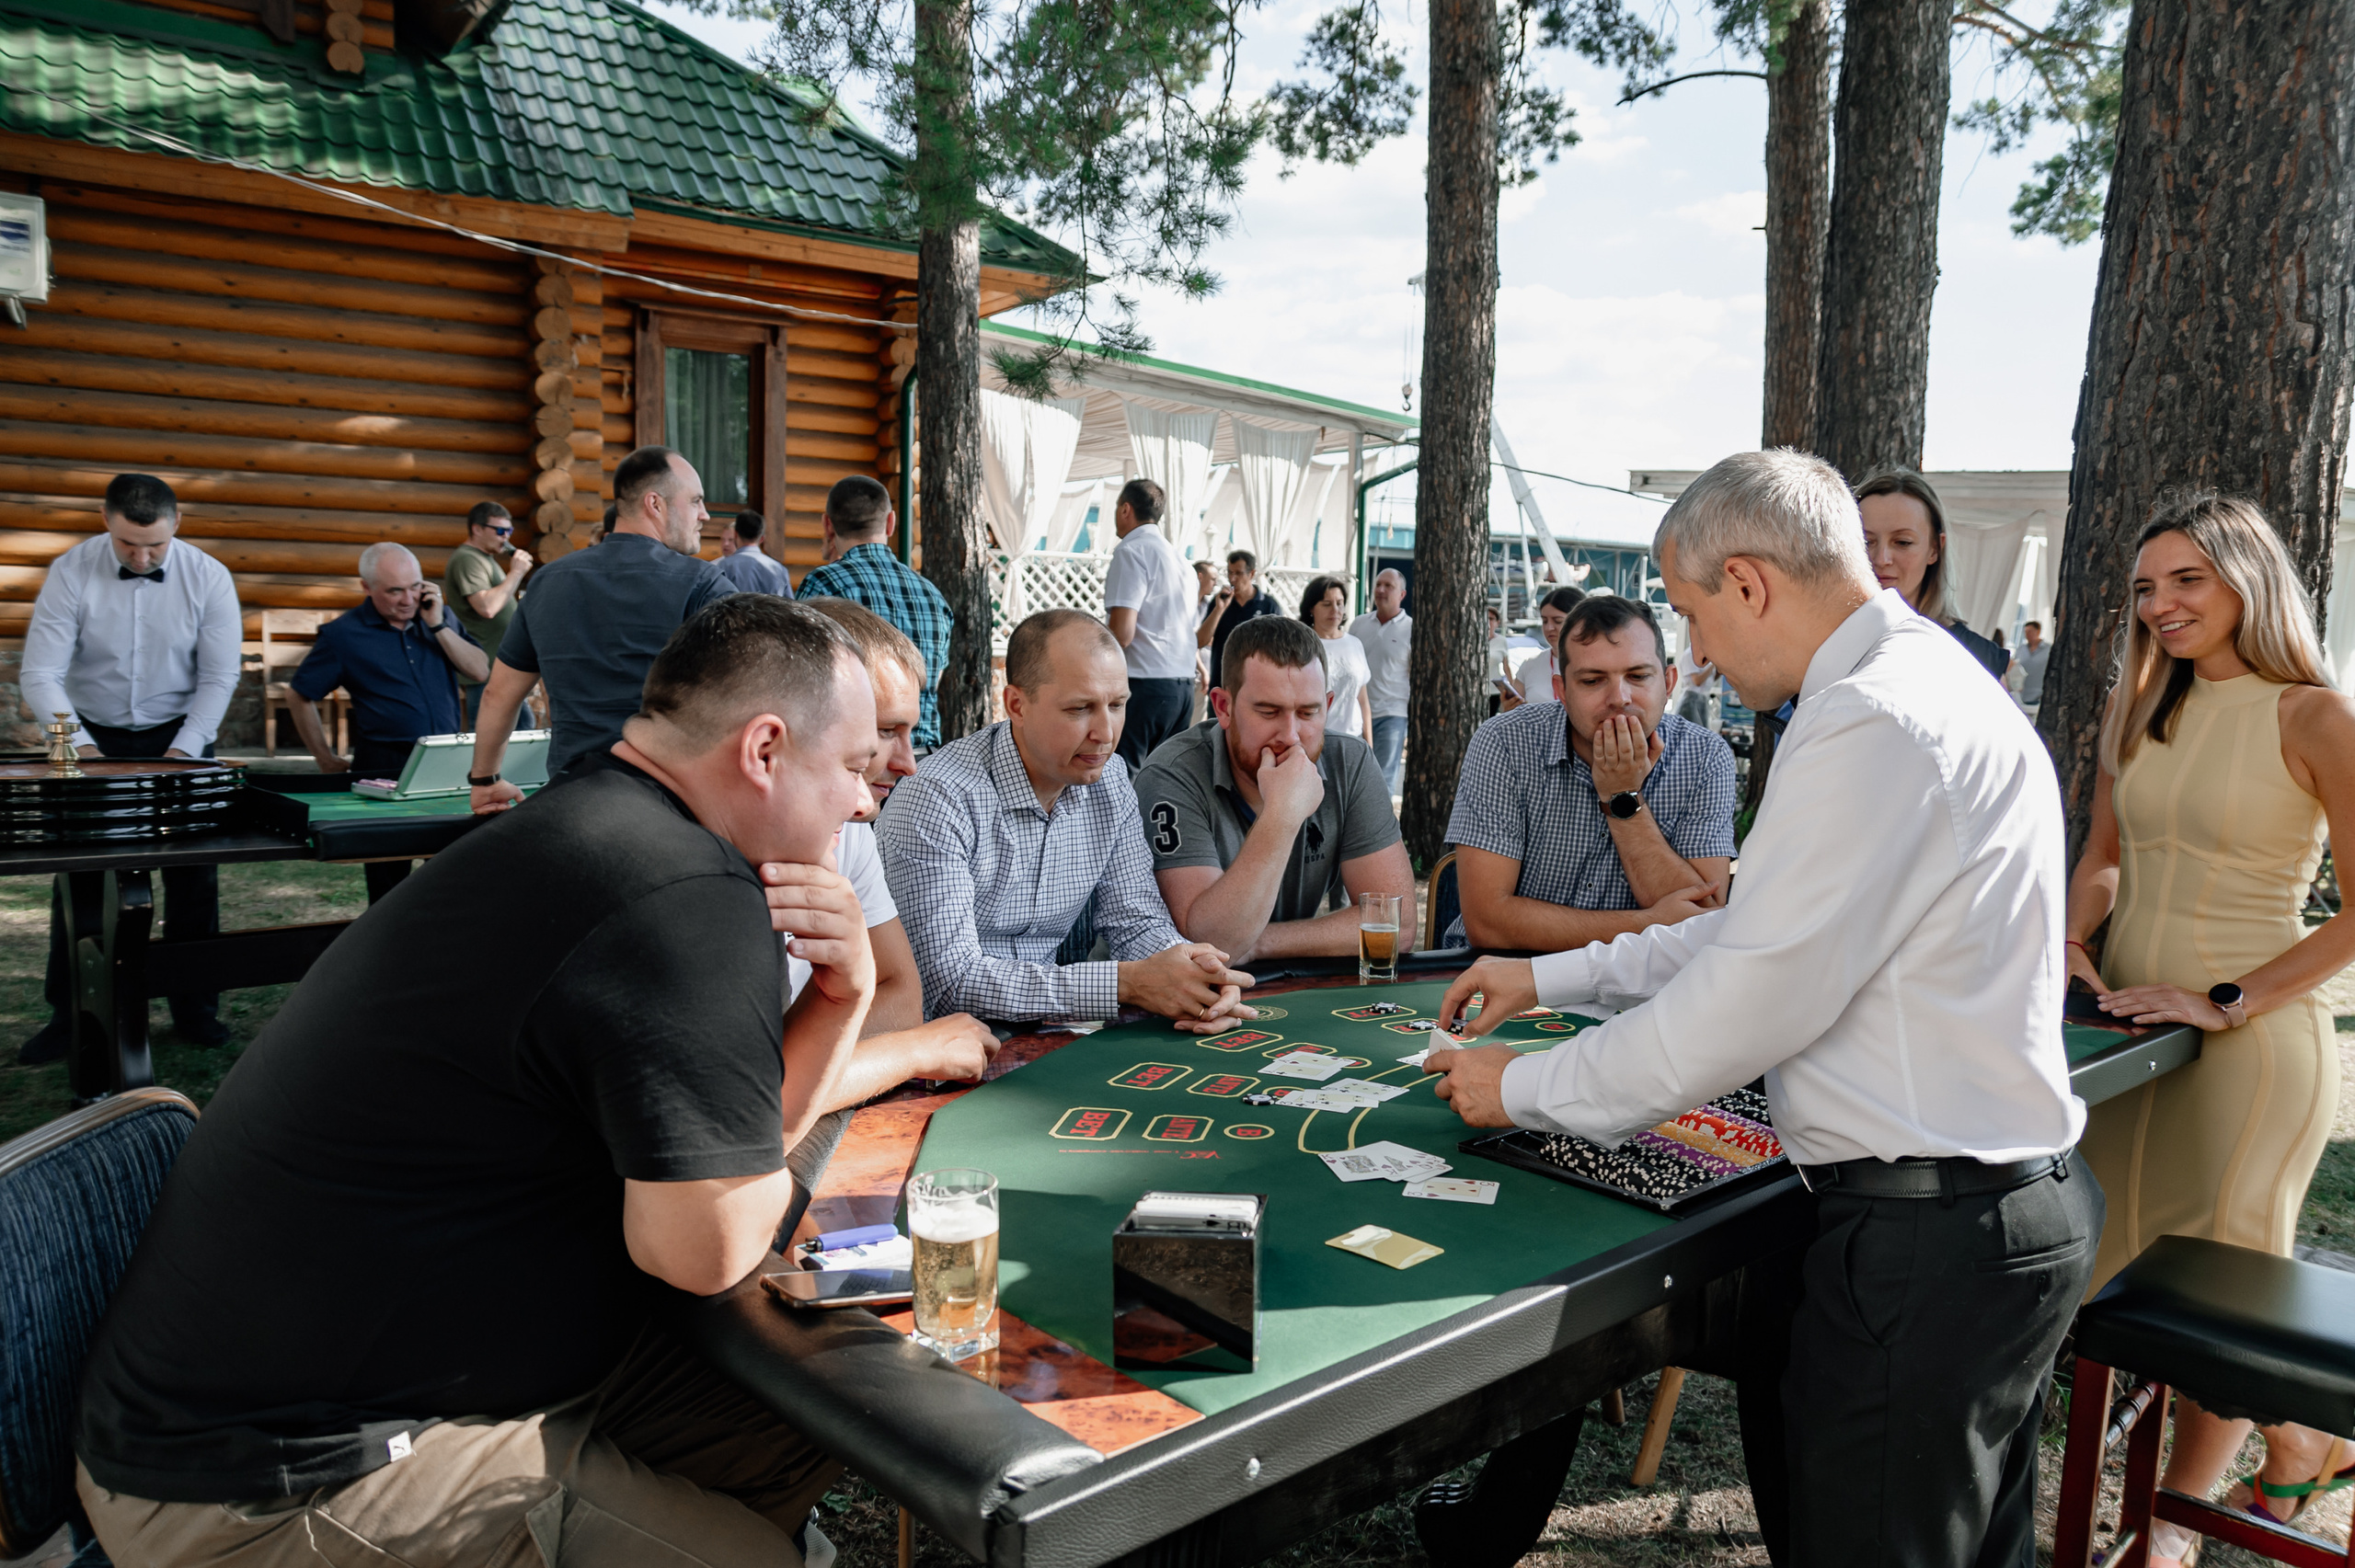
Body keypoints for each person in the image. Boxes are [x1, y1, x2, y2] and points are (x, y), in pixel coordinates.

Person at [75, 596, 885, 1568]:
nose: (865, 801)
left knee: (826, 1405)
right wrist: (845, 998)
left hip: (306, 1406)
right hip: (266, 1481)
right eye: (853, 766)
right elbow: (703, 1251)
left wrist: (837, 1002)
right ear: (763, 748)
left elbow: (715, 1181)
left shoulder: (595, 818)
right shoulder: (685, 900)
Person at [1425, 450, 2097, 1568]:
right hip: (1980, 1216)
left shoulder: (1872, 720)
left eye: (1693, 614)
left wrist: (1523, 1086)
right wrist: (1546, 978)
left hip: (1930, 1231)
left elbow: (1744, 1003)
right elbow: (1748, 931)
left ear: (1746, 582)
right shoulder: (1905, 682)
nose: (1695, 651)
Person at [2063, 494, 2355, 1563]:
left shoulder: (2313, 714)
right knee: (2112, 1280)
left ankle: (2164, 1534)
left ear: (2246, 578)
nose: (2161, 604)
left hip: (2252, 1047)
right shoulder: (2139, 708)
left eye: (2185, 579)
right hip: (2127, 1036)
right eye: (2146, 587)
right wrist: (2071, 941)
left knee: (2215, 1292)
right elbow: (2103, 853)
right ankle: (2300, 1434)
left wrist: (2223, 1001)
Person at [878, 609, 1255, 1031]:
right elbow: (949, 981)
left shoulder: (1109, 780)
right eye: (1080, 709)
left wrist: (1195, 972)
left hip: (1040, 1034)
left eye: (1117, 705)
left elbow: (1136, 922)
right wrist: (1123, 984)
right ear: (1016, 705)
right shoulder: (938, 797)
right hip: (923, 1051)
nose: (1106, 732)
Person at [18, 473, 240, 1060]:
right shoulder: (70, 571)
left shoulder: (210, 576)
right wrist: (81, 750)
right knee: (82, 878)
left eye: (156, 547)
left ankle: (196, 1010)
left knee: (193, 877)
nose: (142, 558)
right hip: (93, 733)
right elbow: (40, 673)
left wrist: (184, 751)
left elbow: (219, 677)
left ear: (177, 525)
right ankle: (70, 1018)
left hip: (181, 735)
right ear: (104, 519)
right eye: (127, 545)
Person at [791, 597, 997, 1192]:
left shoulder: (849, 826)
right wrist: (910, 1052)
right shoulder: (733, 853)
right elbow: (762, 1096)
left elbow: (902, 995)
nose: (908, 763)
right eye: (885, 732)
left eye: (911, 729)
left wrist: (876, 1051)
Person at [1443, 594, 1736, 950]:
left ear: (1669, 682)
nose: (1619, 697)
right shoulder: (1505, 742)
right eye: (1593, 681)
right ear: (1560, 691)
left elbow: (1701, 922)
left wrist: (1622, 798)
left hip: (1645, 986)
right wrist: (1647, 925)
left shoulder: (1705, 757)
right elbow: (1488, 923)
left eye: (1639, 675)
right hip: (1507, 972)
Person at [1134, 616, 1413, 963]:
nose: (1291, 735)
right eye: (1268, 712)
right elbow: (1211, 940)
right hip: (1158, 997)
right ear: (1224, 707)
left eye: (1308, 712)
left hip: (1279, 987)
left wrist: (1259, 943)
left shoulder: (1350, 761)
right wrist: (1282, 814)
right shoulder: (1172, 774)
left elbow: (1393, 926)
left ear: (1327, 706)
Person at [468, 446, 733, 807]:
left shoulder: (547, 582)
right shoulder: (703, 584)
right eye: (696, 501)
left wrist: (485, 779)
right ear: (655, 504)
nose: (704, 515)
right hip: (669, 804)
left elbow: (498, 694)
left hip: (571, 799)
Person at [289, 542, 489, 899]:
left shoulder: (437, 617)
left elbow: (479, 669)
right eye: (395, 590)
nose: (408, 599)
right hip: (383, 766)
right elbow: (300, 694)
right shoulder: (343, 635)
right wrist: (325, 758)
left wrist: (439, 625)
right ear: (366, 587)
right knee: (387, 883)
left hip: (444, 764)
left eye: (415, 586)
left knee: (449, 876)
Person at [797, 475, 953, 750]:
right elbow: (934, 680)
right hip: (924, 759)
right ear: (890, 522)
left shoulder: (823, 584)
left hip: (862, 758)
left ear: (827, 524)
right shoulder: (933, 594)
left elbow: (806, 675)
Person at [1856, 466, 2009, 680]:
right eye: (1866, 541)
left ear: (1935, 549)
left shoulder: (1976, 656)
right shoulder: (1819, 644)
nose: (1882, 559)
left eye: (1903, 542)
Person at [1100, 478, 1197, 770]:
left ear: (1125, 509)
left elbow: (1122, 634)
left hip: (1146, 685)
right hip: (1183, 686)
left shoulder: (1131, 551)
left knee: (1122, 776)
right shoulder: (1182, 561)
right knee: (1165, 779)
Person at [443, 500, 533, 727]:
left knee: (522, 729)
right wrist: (517, 573)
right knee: (489, 736)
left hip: (502, 669)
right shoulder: (467, 558)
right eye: (500, 530)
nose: (506, 537)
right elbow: (487, 607)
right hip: (486, 670)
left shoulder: (485, 559)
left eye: (509, 531)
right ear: (477, 528)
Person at [1350, 567, 1412, 794]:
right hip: (1355, 714)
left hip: (1392, 716)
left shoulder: (1412, 629)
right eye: (1378, 584)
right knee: (1354, 779)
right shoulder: (1358, 625)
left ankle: (1379, 829)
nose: (1381, 590)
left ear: (1402, 595)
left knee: (1383, 781)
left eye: (1389, 586)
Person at [1197, 548, 1281, 692]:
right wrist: (1219, 609)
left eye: (1238, 573)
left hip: (1257, 685)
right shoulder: (1219, 603)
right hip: (1222, 682)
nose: (1232, 578)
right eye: (1230, 572)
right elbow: (1200, 641)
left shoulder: (1268, 605)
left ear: (1252, 574)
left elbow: (1278, 648)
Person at [1300, 574, 1372, 737]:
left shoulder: (1355, 644)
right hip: (1315, 738)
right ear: (1311, 608)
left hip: (1353, 737)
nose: (1335, 610)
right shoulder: (1301, 644)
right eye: (1326, 604)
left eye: (1340, 603)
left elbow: (1362, 699)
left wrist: (1369, 744)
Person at [1509, 585, 1586, 704]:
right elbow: (1510, 712)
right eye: (1544, 621)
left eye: (1558, 621)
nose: (1549, 628)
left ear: (1581, 622)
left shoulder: (1599, 664)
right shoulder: (1530, 665)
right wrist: (1508, 709)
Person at [716, 509, 796, 596]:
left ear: (735, 535)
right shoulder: (779, 569)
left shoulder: (725, 566)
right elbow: (789, 605)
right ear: (762, 539)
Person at [2015, 619, 2051, 715]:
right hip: (2022, 694)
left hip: (2040, 694)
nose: (2027, 634)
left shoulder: (2049, 649)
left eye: (2030, 631)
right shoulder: (2021, 649)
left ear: (2038, 631)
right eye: (2025, 632)